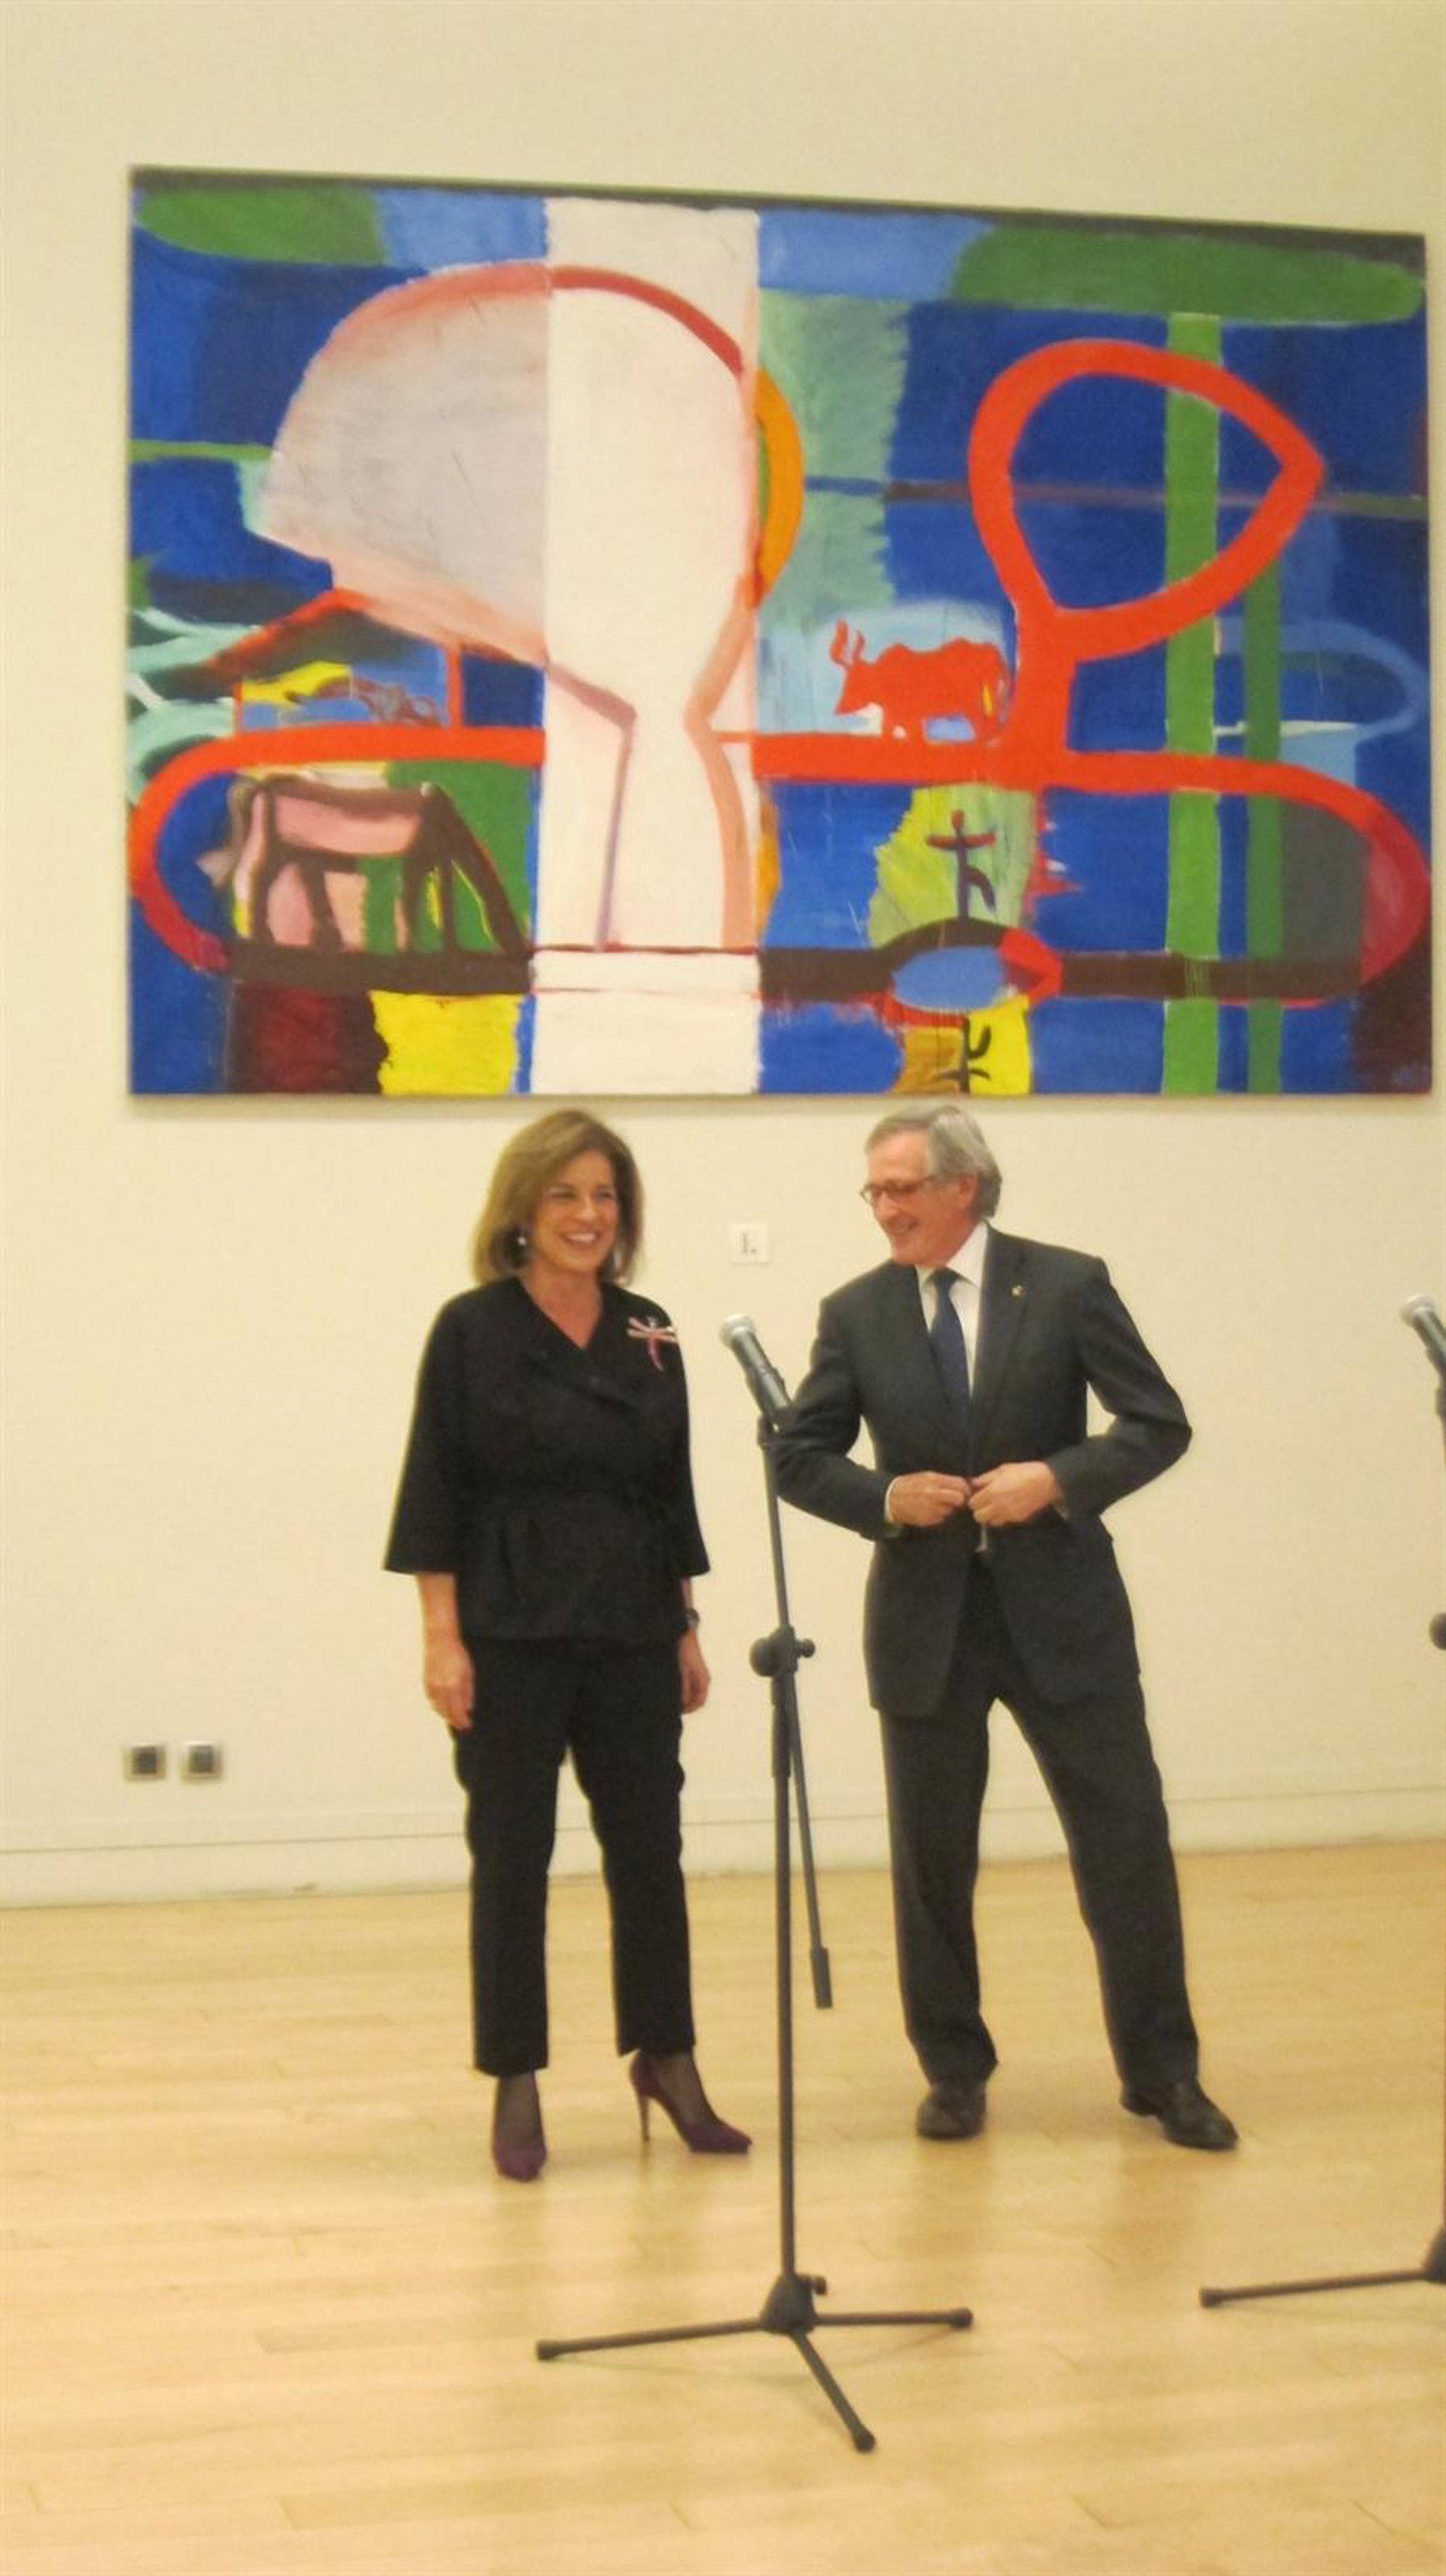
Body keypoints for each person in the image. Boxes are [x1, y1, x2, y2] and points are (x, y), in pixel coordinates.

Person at [773, 1104, 1235, 2153]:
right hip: (926, 1625)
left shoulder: (1066, 1284)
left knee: (1125, 1847)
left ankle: (1163, 2072)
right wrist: (886, 1497)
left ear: (964, 1186)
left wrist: (1058, 1478)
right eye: (874, 1191)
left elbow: (1156, 1422)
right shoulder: (857, 1312)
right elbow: (800, 1456)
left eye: (901, 1188)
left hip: (1065, 1616)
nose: (884, 1209)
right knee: (931, 1864)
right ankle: (953, 2069)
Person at [385, 1108, 749, 2181]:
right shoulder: (471, 1329)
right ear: (523, 1208)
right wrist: (442, 1639)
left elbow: (670, 1489)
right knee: (512, 1857)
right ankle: (516, 2077)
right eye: (566, 1195)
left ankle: (667, 2057)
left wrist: (686, 1623)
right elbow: (434, 1489)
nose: (588, 1216)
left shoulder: (649, 1329)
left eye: (605, 1197)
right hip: (510, 1629)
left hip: (634, 1623)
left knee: (651, 1852)